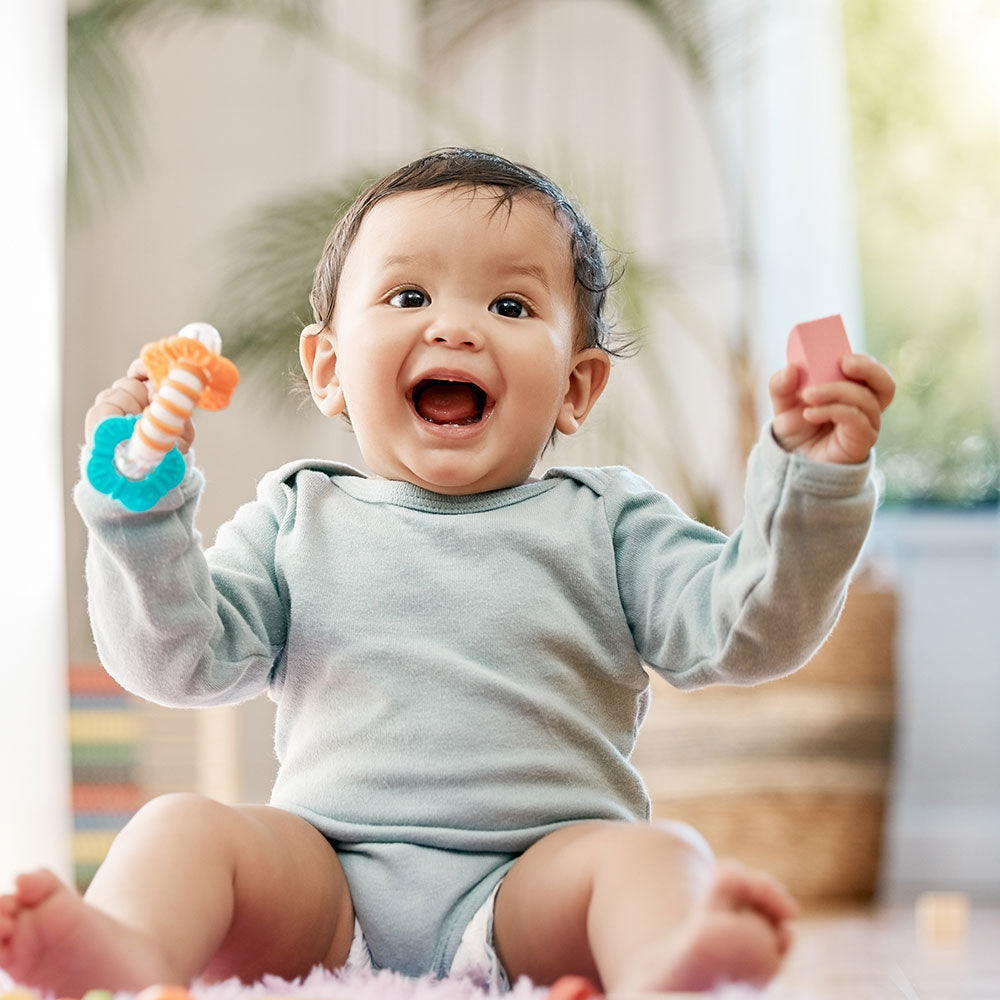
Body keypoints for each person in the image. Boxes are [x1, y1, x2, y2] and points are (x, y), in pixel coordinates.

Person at [0, 148, 894, 997]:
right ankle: (130, 947)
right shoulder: (295, 515)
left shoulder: (608, 522)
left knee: (659, 859)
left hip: (535, 880)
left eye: (511, 307)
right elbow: (177, 661)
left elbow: (748, 628)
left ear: (578, 388)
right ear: (329, 367)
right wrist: (141, 515)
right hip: (325, 880)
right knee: (181, 826)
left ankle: (663, 965)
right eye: (408, 294)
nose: (456, 326)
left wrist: (811, 481)